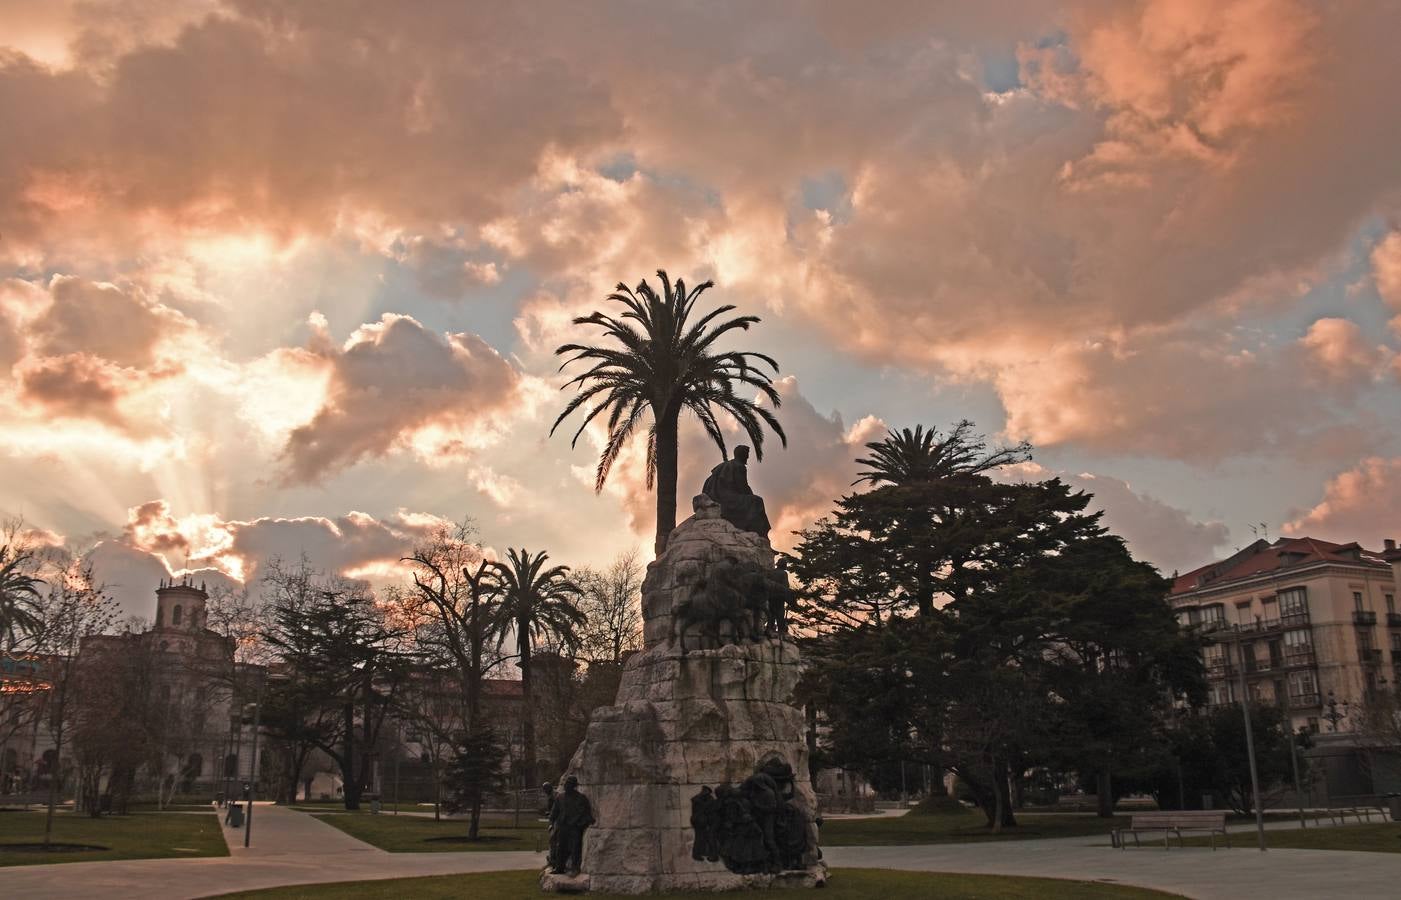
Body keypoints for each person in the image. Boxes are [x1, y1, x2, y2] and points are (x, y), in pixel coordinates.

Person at [700, 446, 771, 538]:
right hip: (728, 499)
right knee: (756, 501)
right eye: (747, 454)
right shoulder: (739, 466)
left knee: (753, 500)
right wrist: (750, 495)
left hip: (717, 497)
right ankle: (761, 535)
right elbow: (742, 488)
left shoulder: (725, 465)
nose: (748, 457)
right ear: (742, 454)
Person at [547, 775, 594, 875]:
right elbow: (554, 812)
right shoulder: (560, 797)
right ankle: (559, 867)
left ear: (573, 786)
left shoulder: (581, 798)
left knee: (575, 848)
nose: (566, 785)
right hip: (562, 826)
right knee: (560, 847)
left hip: (574, 827)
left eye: (569, 784)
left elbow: (587, 815)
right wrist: (551, 823)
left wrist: (579, 824)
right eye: (566, 783)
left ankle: (575, 868)